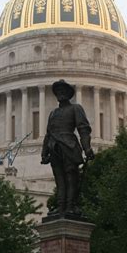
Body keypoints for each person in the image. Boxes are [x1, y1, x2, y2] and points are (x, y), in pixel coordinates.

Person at [41, 80, 94, 216]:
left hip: (70, 146)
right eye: (58, 92)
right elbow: (48, 134)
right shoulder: (53, 113)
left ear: (69, 94)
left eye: (63, 91)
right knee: (60, 179)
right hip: (55, 148)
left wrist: (87, 148)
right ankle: (61, 206)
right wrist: (44, 153)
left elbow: (83, 129)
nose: (61, 94)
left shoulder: (75, 108)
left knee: (71, 178)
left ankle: (70, 206)